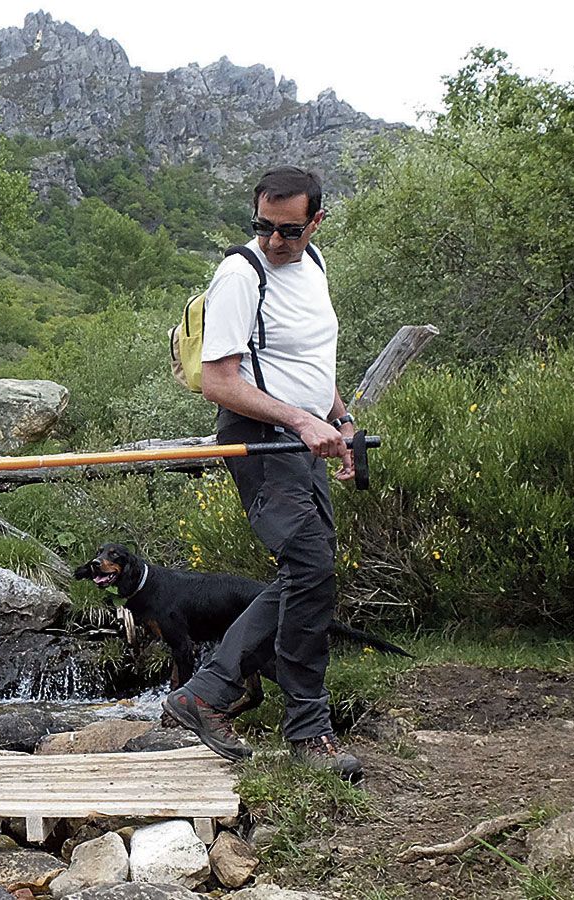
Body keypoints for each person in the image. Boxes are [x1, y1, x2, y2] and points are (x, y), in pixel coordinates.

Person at [162, 166, 364, 780]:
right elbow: (222, 382)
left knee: (309, 573)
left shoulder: (316, 265)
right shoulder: (239, 276)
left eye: (290, 230)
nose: (276, 241)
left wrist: (339, 417)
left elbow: (309, 360)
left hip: (303, 438)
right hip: (261, 439)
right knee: (309, 567)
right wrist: (302, 424)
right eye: (264, 227)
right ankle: (306, 728)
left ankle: (205, 694)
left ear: (316, 222)